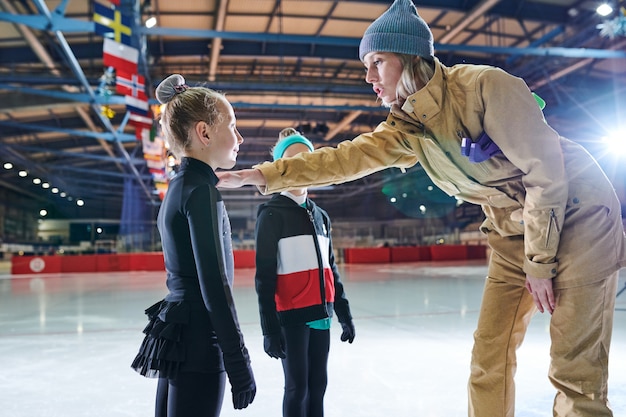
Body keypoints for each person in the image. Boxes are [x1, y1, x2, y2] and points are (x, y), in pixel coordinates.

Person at [216, 1, 626, 416]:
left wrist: (540, 263)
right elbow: (342, 159)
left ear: (411, 58)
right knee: (489, 357)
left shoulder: (485, 87)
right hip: (511, 229)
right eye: (366, 65)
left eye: (377, 61)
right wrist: (265, 175)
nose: (368, 76)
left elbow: (547, 175)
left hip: (577, 213)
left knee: (574, 369)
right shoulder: (407, 128)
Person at [130, 74, 256, 417]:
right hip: (201, 342)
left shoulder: (179, 186)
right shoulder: (201, 193)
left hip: (179, 335)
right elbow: (214, 286)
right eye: (232, 125)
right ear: (205, 133)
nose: (240, 137)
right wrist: (238, 361)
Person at [255, 128, 355, 417]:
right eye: (291, 161)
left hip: (320, 314)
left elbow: (330, 267)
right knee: (297, 388)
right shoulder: (271, 214)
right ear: (279, 168)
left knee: (318, 384)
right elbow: (264, 278)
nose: (300, 167)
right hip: (291, 318)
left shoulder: (321, 215)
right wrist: (270, 328)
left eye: (306, 160)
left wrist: (343, 311)